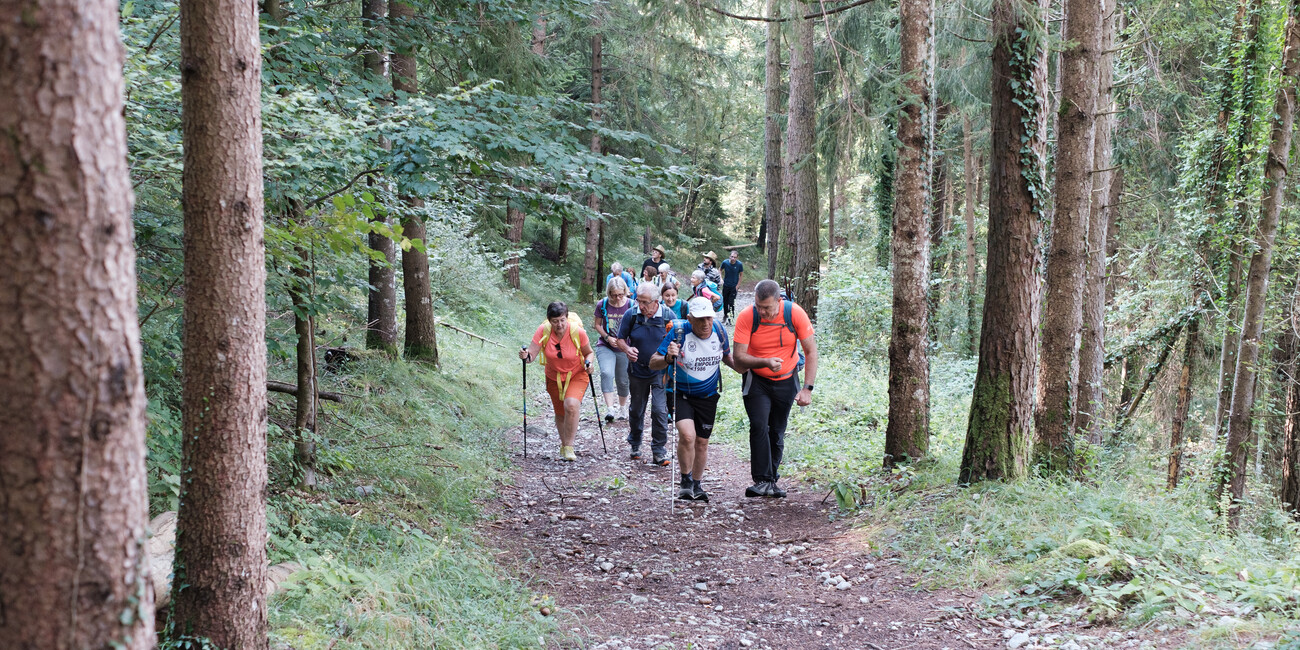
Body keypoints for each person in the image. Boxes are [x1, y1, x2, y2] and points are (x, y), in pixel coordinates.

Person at [732, 279, 818, 498]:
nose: (761, 311)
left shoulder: (794, 314)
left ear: (779, 301)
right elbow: (739, 358)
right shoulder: (747, 316)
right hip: (757, 380)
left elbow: (810, 351)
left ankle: (772, 479)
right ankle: (762, 480)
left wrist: (807, 388)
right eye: (758, 306)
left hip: (787, 379)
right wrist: (765, 362)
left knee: (777, 430)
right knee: (759, 425)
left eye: (767, 308)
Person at [650, 297, 735, 502]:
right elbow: (654, 362)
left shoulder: (719, 330)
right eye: (700, 319)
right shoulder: (679, 332)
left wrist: (751, 368)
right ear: (689, 318)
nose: (706, 323)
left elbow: (727, 357)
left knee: (702, 442)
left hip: (708, 395)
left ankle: (697, 484)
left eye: (709, 318)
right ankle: (685, 481)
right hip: (680, 392)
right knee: (688, 436)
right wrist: (669, 357)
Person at [520, 302, 596, 461]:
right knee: (561, 413)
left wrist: (589, 364)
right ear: (549, 320)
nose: (559, 324)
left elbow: (589, 353)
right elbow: (531, 356)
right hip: (553, 377)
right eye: (555, 321)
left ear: (566, 318)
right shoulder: (543, 331)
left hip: (577, 374)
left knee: (571, 405)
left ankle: (569, 446)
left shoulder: (577, 332)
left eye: (562, 320)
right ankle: (564, 445)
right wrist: (525, 356)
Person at [616, 283, 675, 465]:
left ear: (656, 301)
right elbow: (619, 339)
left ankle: (659, 450)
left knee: (659, 410)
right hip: (637, 370)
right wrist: (627, 349)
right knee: (636, 409)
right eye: (638, 300)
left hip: (660, 372)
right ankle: (635, 443)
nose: (640, 305)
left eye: (644, 302)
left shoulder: (668, 316)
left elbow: (678, 339)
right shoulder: (631, 315)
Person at [593, 277, 633, 422]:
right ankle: (610, 408)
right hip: (606, 346)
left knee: (623, 380)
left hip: (624, 347)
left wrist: (627, 344)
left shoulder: (631, 305)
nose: (617, 298)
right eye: (614, 295)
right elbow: (597, 324)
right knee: (606, 373)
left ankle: (623, 408)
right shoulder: (602, 304)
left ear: (625, 292)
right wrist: (606, 337)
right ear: (609, 293)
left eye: (620, 294)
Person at [719, 250, 744, 324]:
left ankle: (731, 318)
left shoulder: (739, 264)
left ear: (737, 258)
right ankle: (725, 315)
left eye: (735, 257)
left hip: (734, 286)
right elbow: (720, 269)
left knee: (731, 302)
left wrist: (738, 285)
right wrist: (720, 278)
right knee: (725, 301)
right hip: (726, 285)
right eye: (732, 256)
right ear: (730, 256)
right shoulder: (725, 262)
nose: (733, 258)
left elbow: (741, 275)